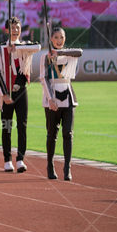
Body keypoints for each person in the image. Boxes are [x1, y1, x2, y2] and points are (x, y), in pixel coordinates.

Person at [0, 16, 41, 173]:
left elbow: (38, 47)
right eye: (12, 28)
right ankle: (7, 159)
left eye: (17, 28)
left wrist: (17, 49)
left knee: (22, 125)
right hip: (6, 93)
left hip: (21, 92)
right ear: (6, 30)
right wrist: (5, 94)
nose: (15, 31)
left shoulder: (25, 46)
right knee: (7, 126)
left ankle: (20, 159)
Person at [40, 28, 82, 181]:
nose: (59, 40)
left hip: (68, 98)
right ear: (51, 39)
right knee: (52, 134)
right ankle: (50, 166)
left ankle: (67, 168)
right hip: (52, 100)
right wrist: (50, 99)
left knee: (68, 134)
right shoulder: (45, 56)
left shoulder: (69, 54)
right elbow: (43, 78)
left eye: (62, 37)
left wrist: (60, 53)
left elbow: (80, 52)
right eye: (56, 37)